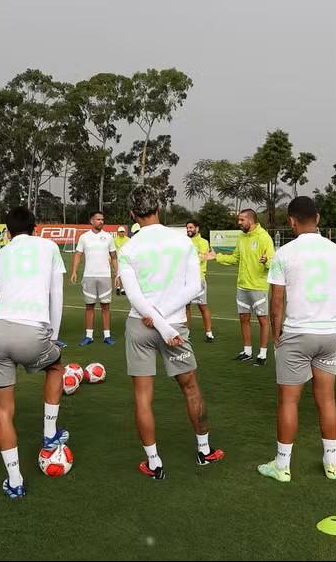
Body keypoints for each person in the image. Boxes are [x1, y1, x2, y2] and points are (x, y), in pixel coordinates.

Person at [119, 187, 224, 480]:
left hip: (141, 324)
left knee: (142, 397)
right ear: (159, 208)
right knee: (190, 388)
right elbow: (195, 287)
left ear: (132, 215)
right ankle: (204, 450)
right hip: (175, 325)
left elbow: (135, 297)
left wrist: (157, 319)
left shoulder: (128, 248)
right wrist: (166, 322)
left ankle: (154, 463)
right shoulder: (182, 242)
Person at [257, 196, 336, 483]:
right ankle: (331, 463)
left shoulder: (283, 254)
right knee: (327, 400)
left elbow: (276, 300)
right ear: (318, 218)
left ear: (291, 221)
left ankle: (282, 465)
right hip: (327, 335)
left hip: (296, 334)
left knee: (288, 401)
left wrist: (276, 333)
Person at [0, 206, 70, 499]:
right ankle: (49, 434)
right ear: (36, 227)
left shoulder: (0, 255)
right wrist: (54, 338)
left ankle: (15, 480)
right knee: (56, 366)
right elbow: (56, 294)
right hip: (32, 331)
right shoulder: (49, 246)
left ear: (7, 232)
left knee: (3, 411)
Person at [206, 209, 275, 366]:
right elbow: (235, 258)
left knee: (263, 320)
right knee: (244, 318)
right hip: (242, 286)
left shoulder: (264, 237)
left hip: (258, 287)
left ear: (250, 221)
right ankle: (247, 351)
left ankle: (262, 354)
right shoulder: (241, 237)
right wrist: (217, 257)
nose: (239, 223)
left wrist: (266, 261)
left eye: (242, 220)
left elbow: (273, 263)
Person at [71, 211, 117, 346]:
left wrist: (117, 274)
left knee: (106, 306)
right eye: (98, 219)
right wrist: (74, 271)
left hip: (105, 276)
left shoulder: (108, 237)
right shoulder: (84, 237)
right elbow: (78, 255)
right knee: (89, 306)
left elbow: (114, 257)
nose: (101, 221)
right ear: (92, 221)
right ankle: (88, 336)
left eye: (102, 219)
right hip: (89, 276)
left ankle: (107, 336)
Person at [185, 220, 215, 342]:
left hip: (198, 279)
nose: (188, 230)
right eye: (187, 228)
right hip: (185, 280)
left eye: (191, 227)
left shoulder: (203, 242)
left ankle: (209, 333)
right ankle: (186, 333)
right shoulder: (185, 241)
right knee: (186, 307)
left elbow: (202, 258)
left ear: (197, 228)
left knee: (202, 307)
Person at [114, 226, 129, 296]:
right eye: (120, 232)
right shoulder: (114, 240)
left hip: (125, 260)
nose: (121, 233)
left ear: (124, 232)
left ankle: (123, 289)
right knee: (117, 274)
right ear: (118, 232)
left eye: (122, 232)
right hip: (117, 259)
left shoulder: (128, 239)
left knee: (124, 274)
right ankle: (118, 287)